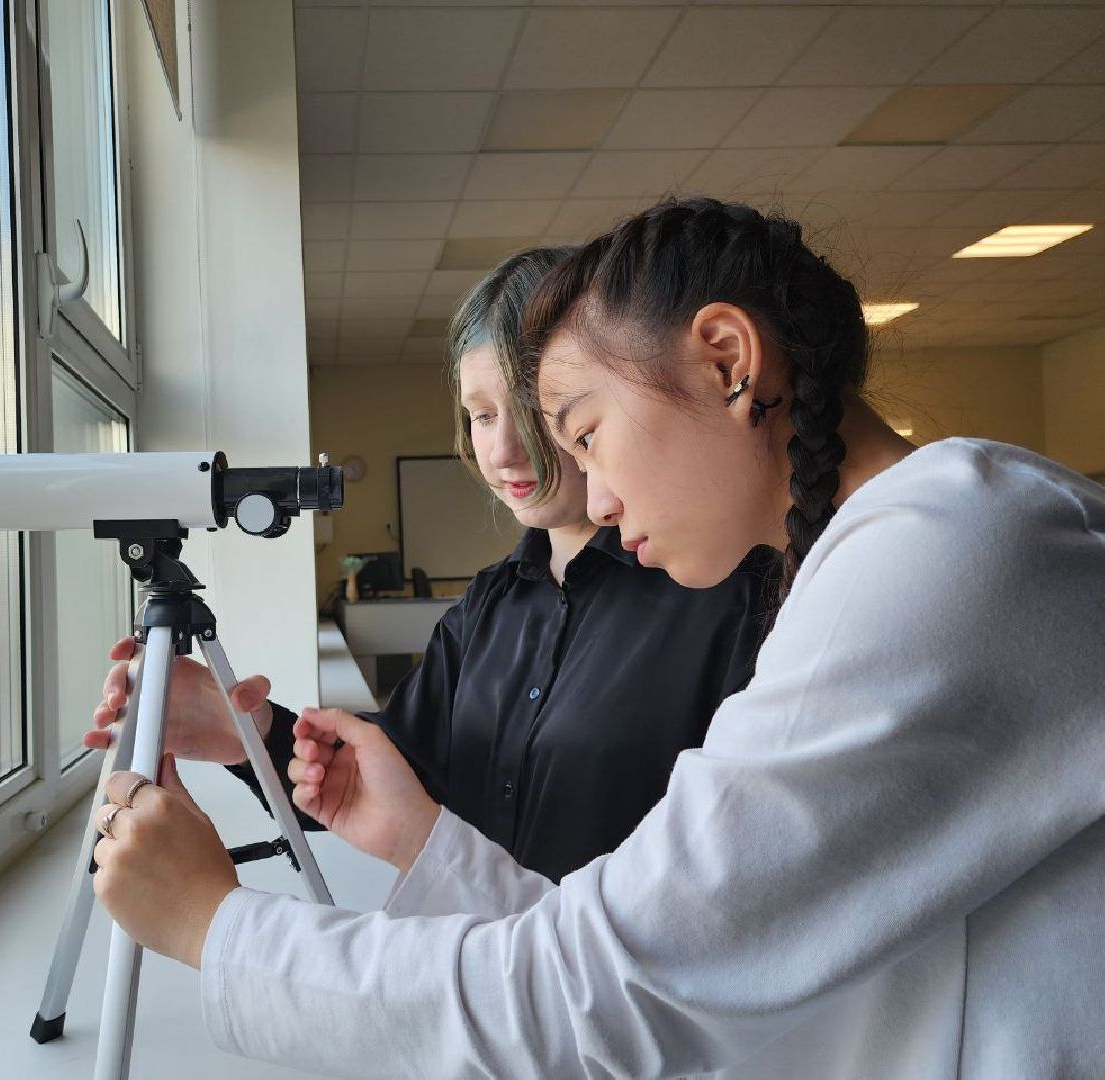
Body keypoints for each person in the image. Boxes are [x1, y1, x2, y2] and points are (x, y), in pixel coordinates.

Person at [89, 196, 1105, 1078]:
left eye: (582, 432)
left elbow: (612, 985)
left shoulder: (952, 548)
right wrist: (414, 836)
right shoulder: (896, 553)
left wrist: (214, 925)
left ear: (726, 360)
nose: (600, 496)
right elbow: (668, 952)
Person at [87, 247, 774, 883]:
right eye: (481, 415)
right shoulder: (485, 609)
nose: (503, 453)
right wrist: (243, 729)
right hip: (476, 960)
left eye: (533, 409)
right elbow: (390, 777)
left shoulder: (728, 594)